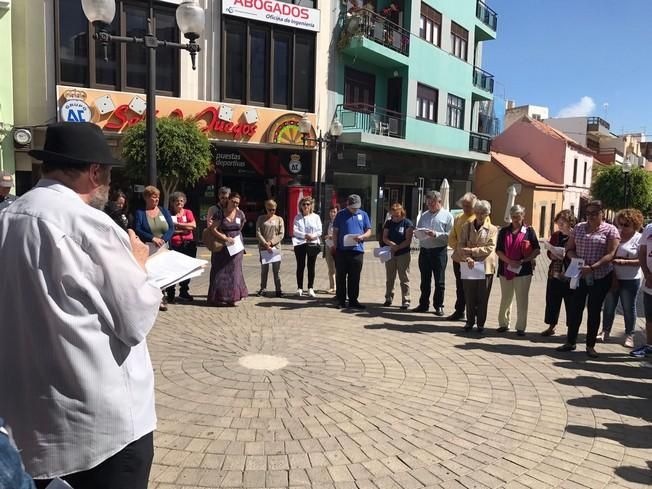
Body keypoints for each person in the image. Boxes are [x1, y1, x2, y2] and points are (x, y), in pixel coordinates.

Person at [0, 122, 161, 489]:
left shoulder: (6, 218)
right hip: (100, 429)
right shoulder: (91, 226)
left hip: (26, 421)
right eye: (106, 174)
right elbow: (134, 319)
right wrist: (138, 265)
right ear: (94, 172)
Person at [557, 200, 620, 358]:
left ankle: (590, 345)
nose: (591, 216)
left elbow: (611, 254)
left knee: (594, 310)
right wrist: (576, 260)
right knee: (575, 308)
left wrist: (592, 267)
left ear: (602, 214)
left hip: (600, 276)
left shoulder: (610, 230)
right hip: (580, 276)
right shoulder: (579, 228)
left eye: (594, 213)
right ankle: (570, 341)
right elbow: (569, 249)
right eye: (588, 213)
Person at [597, 208, 643, 348]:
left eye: (626, 225)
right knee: (609, 305)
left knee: (628, 307)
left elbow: (642, 260)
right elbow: (608, 253)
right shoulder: (615, 235)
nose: (622, 228)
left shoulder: (639, 239)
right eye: (620, 224)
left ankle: (630, 334)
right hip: (612, 275)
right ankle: (605, 331)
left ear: (635, 225)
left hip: (631, 279)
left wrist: (624, 262)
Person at [495, 204, 541, 336]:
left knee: (522, 299)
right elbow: (498, 250)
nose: (515, 219)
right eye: (513, 216)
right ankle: (503, 323)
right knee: (506, 298)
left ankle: (521, 327)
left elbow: (537, 249)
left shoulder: (529, 231)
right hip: (506, 268)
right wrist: (510, 261)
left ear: (523, 216)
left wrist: (524, 260)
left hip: (523, 270)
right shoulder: (504, 231)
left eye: (518, 216)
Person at [453, 200, 497, 333]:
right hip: (469, 265)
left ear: (488, 213)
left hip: (485, 267)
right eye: (477, 212)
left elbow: (489, 248)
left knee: (482, 297)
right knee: (469, 295)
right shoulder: (467, 226)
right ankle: (469, 321)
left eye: (483, 213)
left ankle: (481, 324)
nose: (480, 215)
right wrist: (467, 258)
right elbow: (461, 244)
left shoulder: (492, 229)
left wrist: (471, 251)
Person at [134, 186, 175, 311]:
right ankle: (151, 299)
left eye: (158, 197)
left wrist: (164, 239)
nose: (156, 199)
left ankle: (162, 298)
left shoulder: (164, 211)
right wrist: (153, 238)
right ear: (146, 198)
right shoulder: (140, 213)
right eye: (153, 197)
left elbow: (171, 228)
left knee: (162, 273)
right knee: (150, 274)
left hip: (163, 247)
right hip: (149, 247)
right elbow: (138, 229)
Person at [413, 190, 453, 315]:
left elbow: (451, 236)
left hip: (439, 251)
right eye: (428, 203)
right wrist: (417, 234)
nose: (429, 205)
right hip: (424, 251)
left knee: (439, 281)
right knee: (425, 280)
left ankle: (439, 305)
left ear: (439, 202)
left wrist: (436, 234)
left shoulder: (447, 216)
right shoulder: (424, 215)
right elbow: (418, 229)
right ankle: (423, 304)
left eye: (432, 203)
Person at [207, 192, 248, 306]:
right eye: (233, 201)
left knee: (235, 271)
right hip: (222, 246)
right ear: (228, 200)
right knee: (219, 271)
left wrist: (235, 236)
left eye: (237, 203)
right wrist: (225, 237)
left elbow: (240, 227)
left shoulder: (240, 214)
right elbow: (213, 229)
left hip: (236, 246)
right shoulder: (220, 214)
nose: (235, 204)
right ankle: (218, 297)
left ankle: (233, 298)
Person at [331, 194, 372, 309]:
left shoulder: (363, 214)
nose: (355, 209)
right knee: (341, 276)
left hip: (357, 251)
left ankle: (353, 300)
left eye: (357, 207)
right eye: (353, 207)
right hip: (342, 251)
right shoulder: (340, 214)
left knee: (355, 277)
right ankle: (341, 300)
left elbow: (369, 231)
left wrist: (363, 236)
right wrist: (335, 245)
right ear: (347, 205)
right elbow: (335, 232)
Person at [541, 210, 576, 337]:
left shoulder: (575, 235)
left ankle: (570, 329)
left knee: (571, 302)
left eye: (563, 222)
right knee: (552, 300)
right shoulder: (556, 235)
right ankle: (551, 326)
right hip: (555, 271)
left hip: (570, 273)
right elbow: (549, 252)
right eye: (558, 223)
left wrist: (566, 254)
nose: (560, 225)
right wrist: (552, 253)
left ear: (569, 222)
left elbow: (576, 253)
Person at [447, 192, 478, 321]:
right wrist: (457, 248)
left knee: (471, 287)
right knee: (460, 285)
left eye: (469, 206)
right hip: (458, 257)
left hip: (471, 258)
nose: (466, 208)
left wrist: (467, 252)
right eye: (464, 205)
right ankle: (459, 310)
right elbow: (452, 236)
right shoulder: (459, 217)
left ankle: (473, 313)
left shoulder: (478, 217)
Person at [382, 203, 414, 309]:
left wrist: (398, 247)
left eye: (397, 215)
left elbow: (408, 240)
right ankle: (388, 297)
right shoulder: (389, 223)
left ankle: (406, 299)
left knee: (404, 277)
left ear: (402, 213)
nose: (395, 218)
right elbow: (384, 237)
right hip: (390, 252)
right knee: (390, 276)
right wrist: (392, 244)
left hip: (403, 253)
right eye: (393, 215)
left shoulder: (407, 223)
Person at [166, 191, 197, 303]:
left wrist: (177, 226)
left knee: (187, 269)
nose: (179, 203)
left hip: (188, 245)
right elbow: (169, 230)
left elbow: (193, 225)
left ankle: (184, 291)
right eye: (177, 201)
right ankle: (171, 294)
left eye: (181, 201)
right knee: (173, 270)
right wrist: (184, 229)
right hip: (174, 245)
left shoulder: (188, 212)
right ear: (172, 203)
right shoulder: (168, 214)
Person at [293, 197, 323, 297]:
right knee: (300, 266)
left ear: (311, 206)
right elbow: (295, 230)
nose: (306, 206)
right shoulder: (297, 217)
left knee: (311, 266)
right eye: (304, 204)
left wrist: (312, 236)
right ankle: (299, 288)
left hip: (312, 243)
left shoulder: (316, 217)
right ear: (301, 206)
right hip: (300, 243)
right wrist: (305, 235)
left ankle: (310, 288)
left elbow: (319, 230)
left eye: (308, 204)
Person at [631, 221, 652, 358]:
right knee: (650, 316)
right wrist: (647, 274)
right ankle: (649, 345)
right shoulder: (650, 228)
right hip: (649, 282)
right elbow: (642, 252)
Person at [256, 199, 284, 297]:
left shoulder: (279, 219)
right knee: (264, 270)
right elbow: (258, 232)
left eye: (274, 210)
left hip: (275, 248)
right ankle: (263, 288)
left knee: (277, 270)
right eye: (269, 210)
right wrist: (265, 243)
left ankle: (278, 290)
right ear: (266, 208)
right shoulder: (261, 218)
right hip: (264, 248)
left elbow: (281, 234)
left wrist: (271, 242)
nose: (272, 212)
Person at [322, 205, 339, 294]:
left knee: (337, 268)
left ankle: (337, 287)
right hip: (328, 247)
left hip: (337, 247)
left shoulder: (340, 222)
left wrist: (333, 237)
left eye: (334, 212)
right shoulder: (327, 222)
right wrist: (326, 237)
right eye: (331, 212)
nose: (332, 214)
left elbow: (341, 235)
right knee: (330, 268)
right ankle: (332, 286)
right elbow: (322, 235)